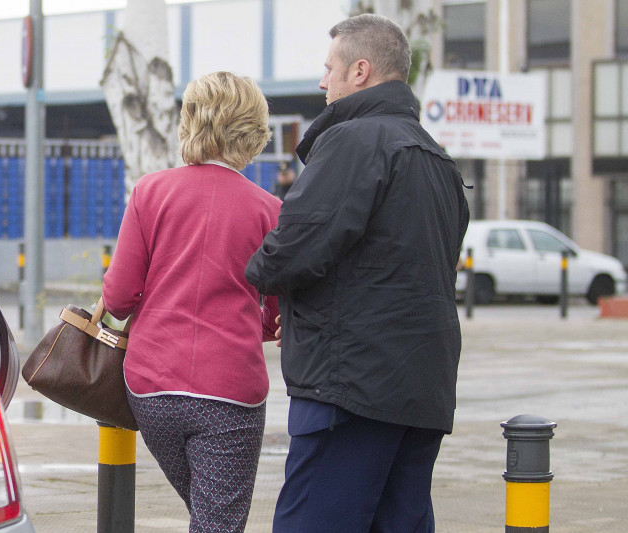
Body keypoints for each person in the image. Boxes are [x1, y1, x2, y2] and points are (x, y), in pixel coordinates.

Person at [245, 14, 470, 533]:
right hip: (423, 389)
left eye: (330, 69)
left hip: (351, 389)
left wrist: (253, 269)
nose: (323, 82)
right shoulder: (438, 160)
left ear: (361, 71)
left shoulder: (353, 142)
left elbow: (291, 250)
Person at [102, 71, 282, 533]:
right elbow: (280, 314)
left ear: (189, 122)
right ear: (254, 131)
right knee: (218, 522)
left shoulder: (149, 192)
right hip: (229, 391)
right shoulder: (269, 210)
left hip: (151, 388)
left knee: (207, 516)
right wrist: (256, 324)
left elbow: (119, 299)